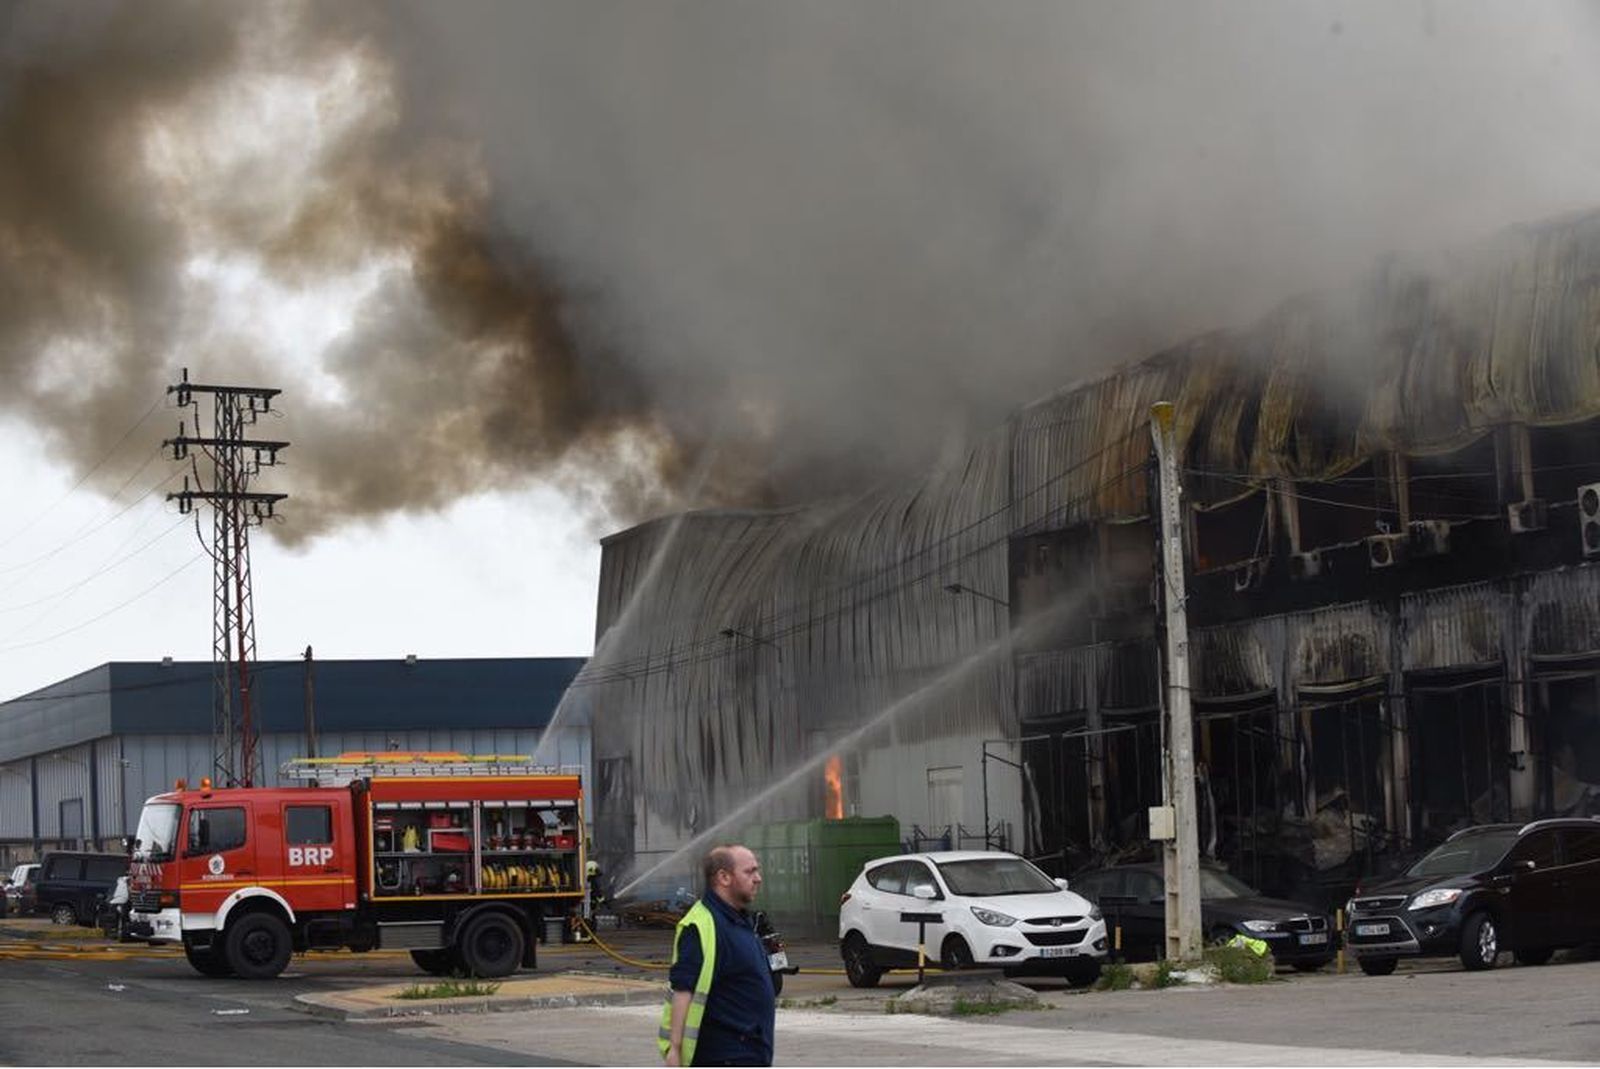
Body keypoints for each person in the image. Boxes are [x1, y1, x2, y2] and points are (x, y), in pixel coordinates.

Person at [659, 844, 776, 1067]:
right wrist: (674, 1049)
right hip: (723, 1056)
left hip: (751, 1053)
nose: (758, 878)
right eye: (749, 871)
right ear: (724, 877)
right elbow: (683, 990)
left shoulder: (740, 920)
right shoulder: (701, 926)